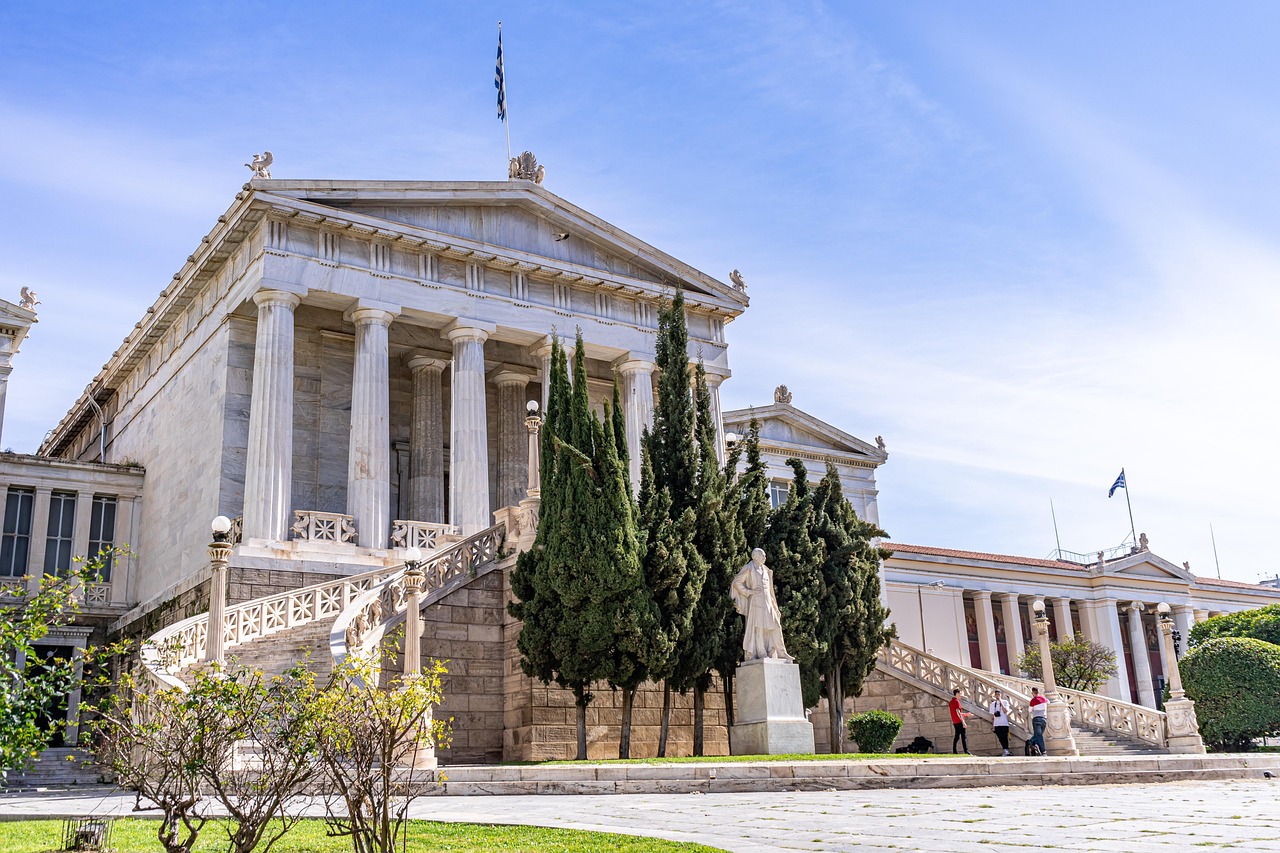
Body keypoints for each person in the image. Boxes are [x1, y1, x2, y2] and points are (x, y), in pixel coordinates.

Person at [730, 548, 792, 660]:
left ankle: (781, 651)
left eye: (764, 555)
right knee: (758, 627)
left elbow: (770, 591)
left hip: (768, 603)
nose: (764, 557)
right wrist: (749, 592)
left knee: (776, 626)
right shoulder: (749, 568)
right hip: (756, 602)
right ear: (755, 557)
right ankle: (761, 652)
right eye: (762, 555)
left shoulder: (766, 570)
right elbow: (736, 582)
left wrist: (775, 606)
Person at [948, 688, 971, 754]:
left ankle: (954, 751)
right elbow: (958, 712)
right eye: (960, 693)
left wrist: (966, 714)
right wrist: (963, 722)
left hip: (955, 722)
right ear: (957, 694)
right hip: (959, 721)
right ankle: (966, 751)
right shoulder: (956, 701)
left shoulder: (951, 701)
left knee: (957, 737)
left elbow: (957, 713)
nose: (961, 695)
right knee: (963, 737)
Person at [989, 690, 1012, 756]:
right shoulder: (993, 704)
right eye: (996, 694)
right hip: (997, 724)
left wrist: (1000, 702)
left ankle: (1006, 750)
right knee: (1000, 738)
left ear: (1001, 695)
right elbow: (992, 715)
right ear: (995, 695)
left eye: (999, 694)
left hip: (1004, 723)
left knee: (1005, 737)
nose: (997, 695)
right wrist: (993, 725)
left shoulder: (1005, 702)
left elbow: (1005, 711)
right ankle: (1005, 750)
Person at [1028, 686, 1048, 755]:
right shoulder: (1044, 699)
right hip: (1044, 719)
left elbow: (1029, 710)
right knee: (1038, 734)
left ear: (1033, 693)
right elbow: (1048, 702)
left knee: (1038, 735)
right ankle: (1036, 745)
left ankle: (1043, 750)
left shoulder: (1033, 700)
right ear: (1039, 692)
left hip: (1036, 719)